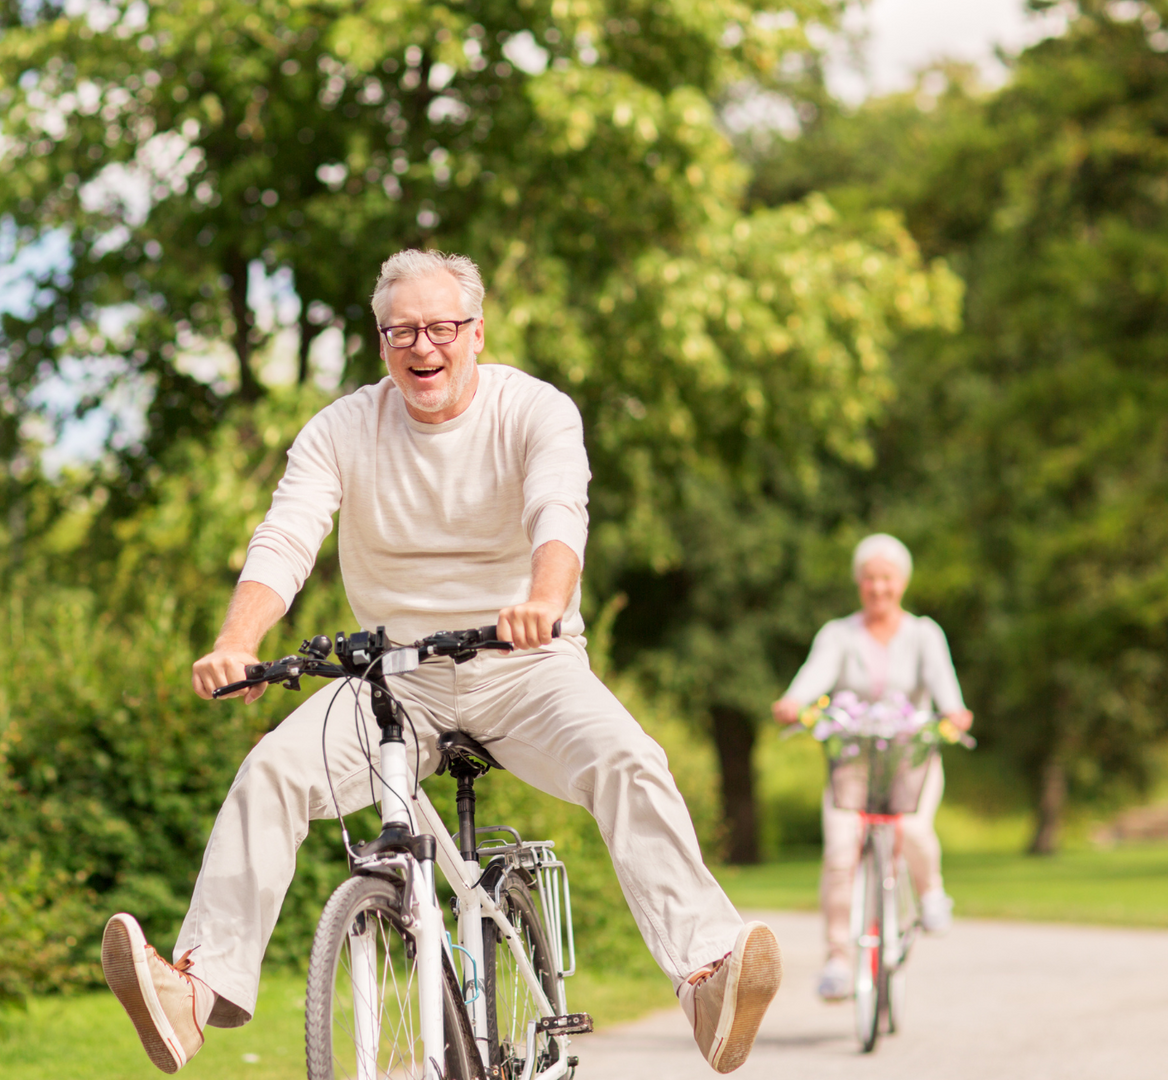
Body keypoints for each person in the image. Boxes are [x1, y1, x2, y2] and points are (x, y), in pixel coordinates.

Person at [98, 249, 782, 1075]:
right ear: (381, 342)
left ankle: (708, 978)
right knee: (271, 773)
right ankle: (194, 994)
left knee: (629, 760)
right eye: (402, 332)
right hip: (394, 679)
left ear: (476, 333)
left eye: (441, 327)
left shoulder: (534, 410)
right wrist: (236, 642)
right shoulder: (343, 427)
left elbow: (559, 513)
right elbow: (286, 537)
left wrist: (543, 599)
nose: (423, 347)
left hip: (527, 665)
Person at [771, 533, 972, 1003]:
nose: (878, 588)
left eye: (887, 579)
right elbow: (812, 678)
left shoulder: (925, 634)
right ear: (859, 584)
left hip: (911, 759)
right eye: (869, 579)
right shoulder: (839, 635)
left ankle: (931, 894)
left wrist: (955, 713)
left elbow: (947, 692)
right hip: (854, 761)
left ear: (901, 583)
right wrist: (793, 702)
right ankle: (838, 960)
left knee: (914, 830)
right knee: (841, 851)